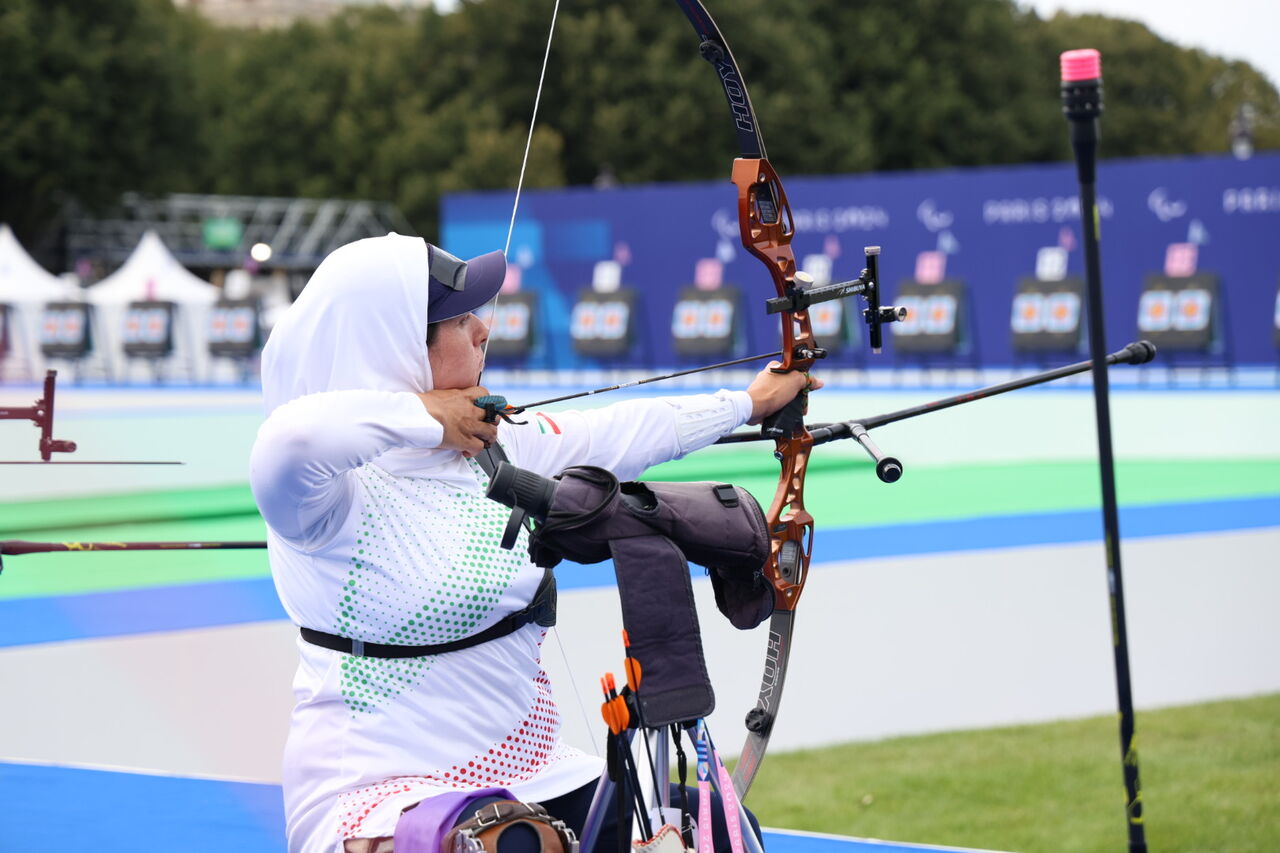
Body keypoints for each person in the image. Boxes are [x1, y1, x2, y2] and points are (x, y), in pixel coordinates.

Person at [250, 233, 820, 853]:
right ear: (396, 349)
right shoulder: (323, 498)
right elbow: (289, 441)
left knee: (717, 830)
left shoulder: (497, 448)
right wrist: (424, 414)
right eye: (459, 319)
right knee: (507, 844)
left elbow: (622, 433)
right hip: (381, 787)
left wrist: (746, 401)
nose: (482, 330)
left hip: (530, 768)